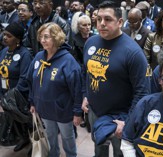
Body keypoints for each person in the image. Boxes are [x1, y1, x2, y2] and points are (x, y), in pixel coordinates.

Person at [81, 1, 151, 157]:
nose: (102, 24)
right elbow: (86, 72)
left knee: (121, 153)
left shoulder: (133, 52)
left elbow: (142, 92)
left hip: (120, 117)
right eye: (99, 19)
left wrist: (128, 121)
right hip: (95, 111)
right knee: (99, 149)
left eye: (108, 19)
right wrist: (85, 94)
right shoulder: (91, 42)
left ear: (120, 22)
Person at [27, 22, 82, 157]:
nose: (42, 40)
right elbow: (31, 81)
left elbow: (77, 89)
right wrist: (32, 102)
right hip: (44, 108)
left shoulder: (67, 60)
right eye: (41, 37)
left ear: (56, 38)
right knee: (50, 136)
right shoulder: (39, 57)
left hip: (62, 110)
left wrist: (77, 112)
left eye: (46, 37)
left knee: (67, 138)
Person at [0, 22, 32, 152]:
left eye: (9, 35)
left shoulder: (24, 54)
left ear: (17, 39)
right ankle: (22, 139)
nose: (5, 37)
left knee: (25, 120)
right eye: (4, 34)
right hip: (5, 91)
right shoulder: (3, 51)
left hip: (18, 95)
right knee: (13, 119)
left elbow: (25, 77)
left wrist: (12, 96)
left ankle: (33, 141)